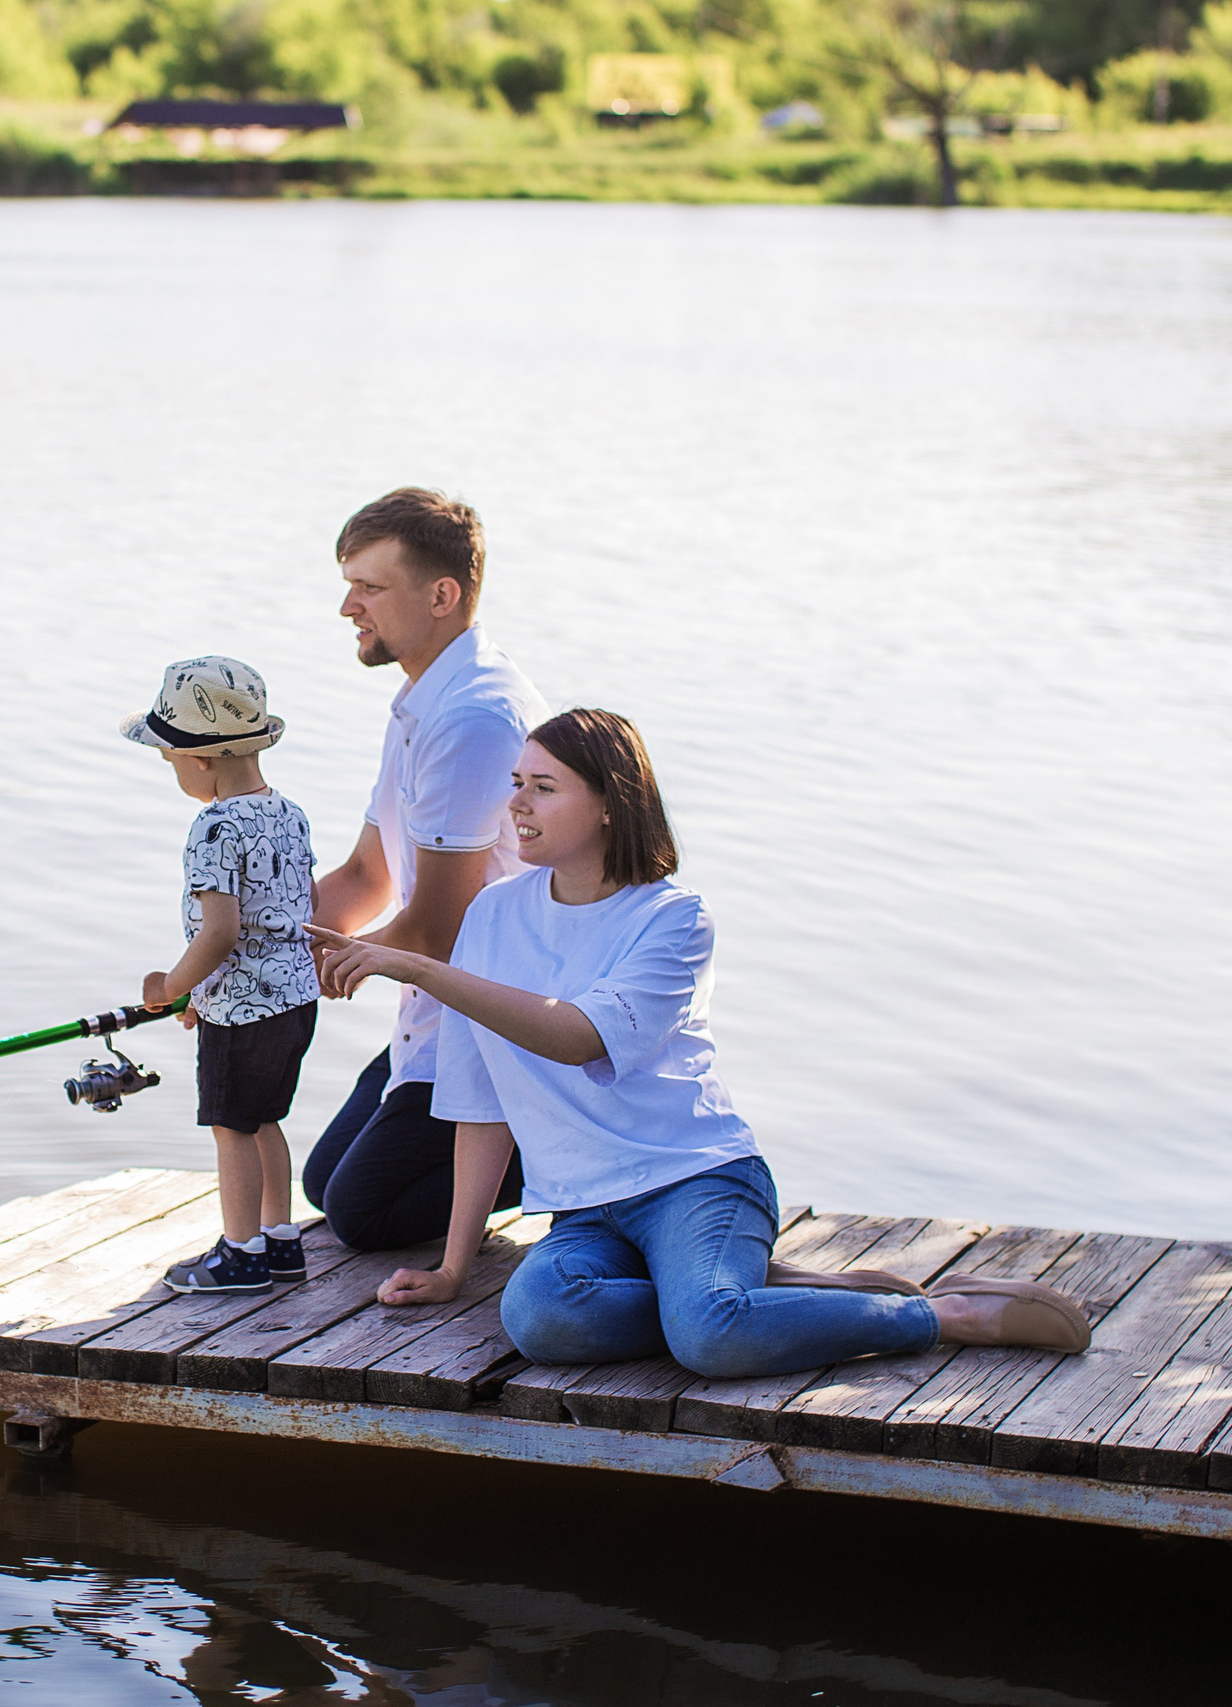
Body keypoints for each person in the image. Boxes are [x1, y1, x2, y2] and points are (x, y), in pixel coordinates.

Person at [309, 708, 1091, 1378]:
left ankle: (943, 1316)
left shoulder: (673, 919)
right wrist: (452, 1266)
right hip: (582, 1209)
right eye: (516, 783)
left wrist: (417, 965)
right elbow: (481, 1104)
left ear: (611, 803)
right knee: (541, 1319)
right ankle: (744, 1291)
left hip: (696, 1180)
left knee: (709, 1338)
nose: (518, 804)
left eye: (544, 787)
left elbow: (577, 1035)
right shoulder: (493, 914)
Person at [302, 489, 553, 1251]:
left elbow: (435, 930)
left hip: (489, 1027)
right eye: (349, 584)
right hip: (430, 1014)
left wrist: (271, 981)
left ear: (441, 594)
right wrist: (227, 954)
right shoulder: (422, 698)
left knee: (362, 1213)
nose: (349, 606)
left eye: (370, 586)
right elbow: (364, 878)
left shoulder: (474, 716)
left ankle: (559, 1149)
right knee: (323, 1183)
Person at [127, 657, 321, 1295]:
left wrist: (173, 988)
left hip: (244, 1011)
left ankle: (240, 1254)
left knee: (231, 1127)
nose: (169, 766)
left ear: (202, 758)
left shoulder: (214, 827)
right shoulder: (289, 814)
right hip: (295, 1000)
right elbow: (288, 912)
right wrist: (203, 991)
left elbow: (220, 931)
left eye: (170, 757)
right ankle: (280, 1240)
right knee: (265, 1119)